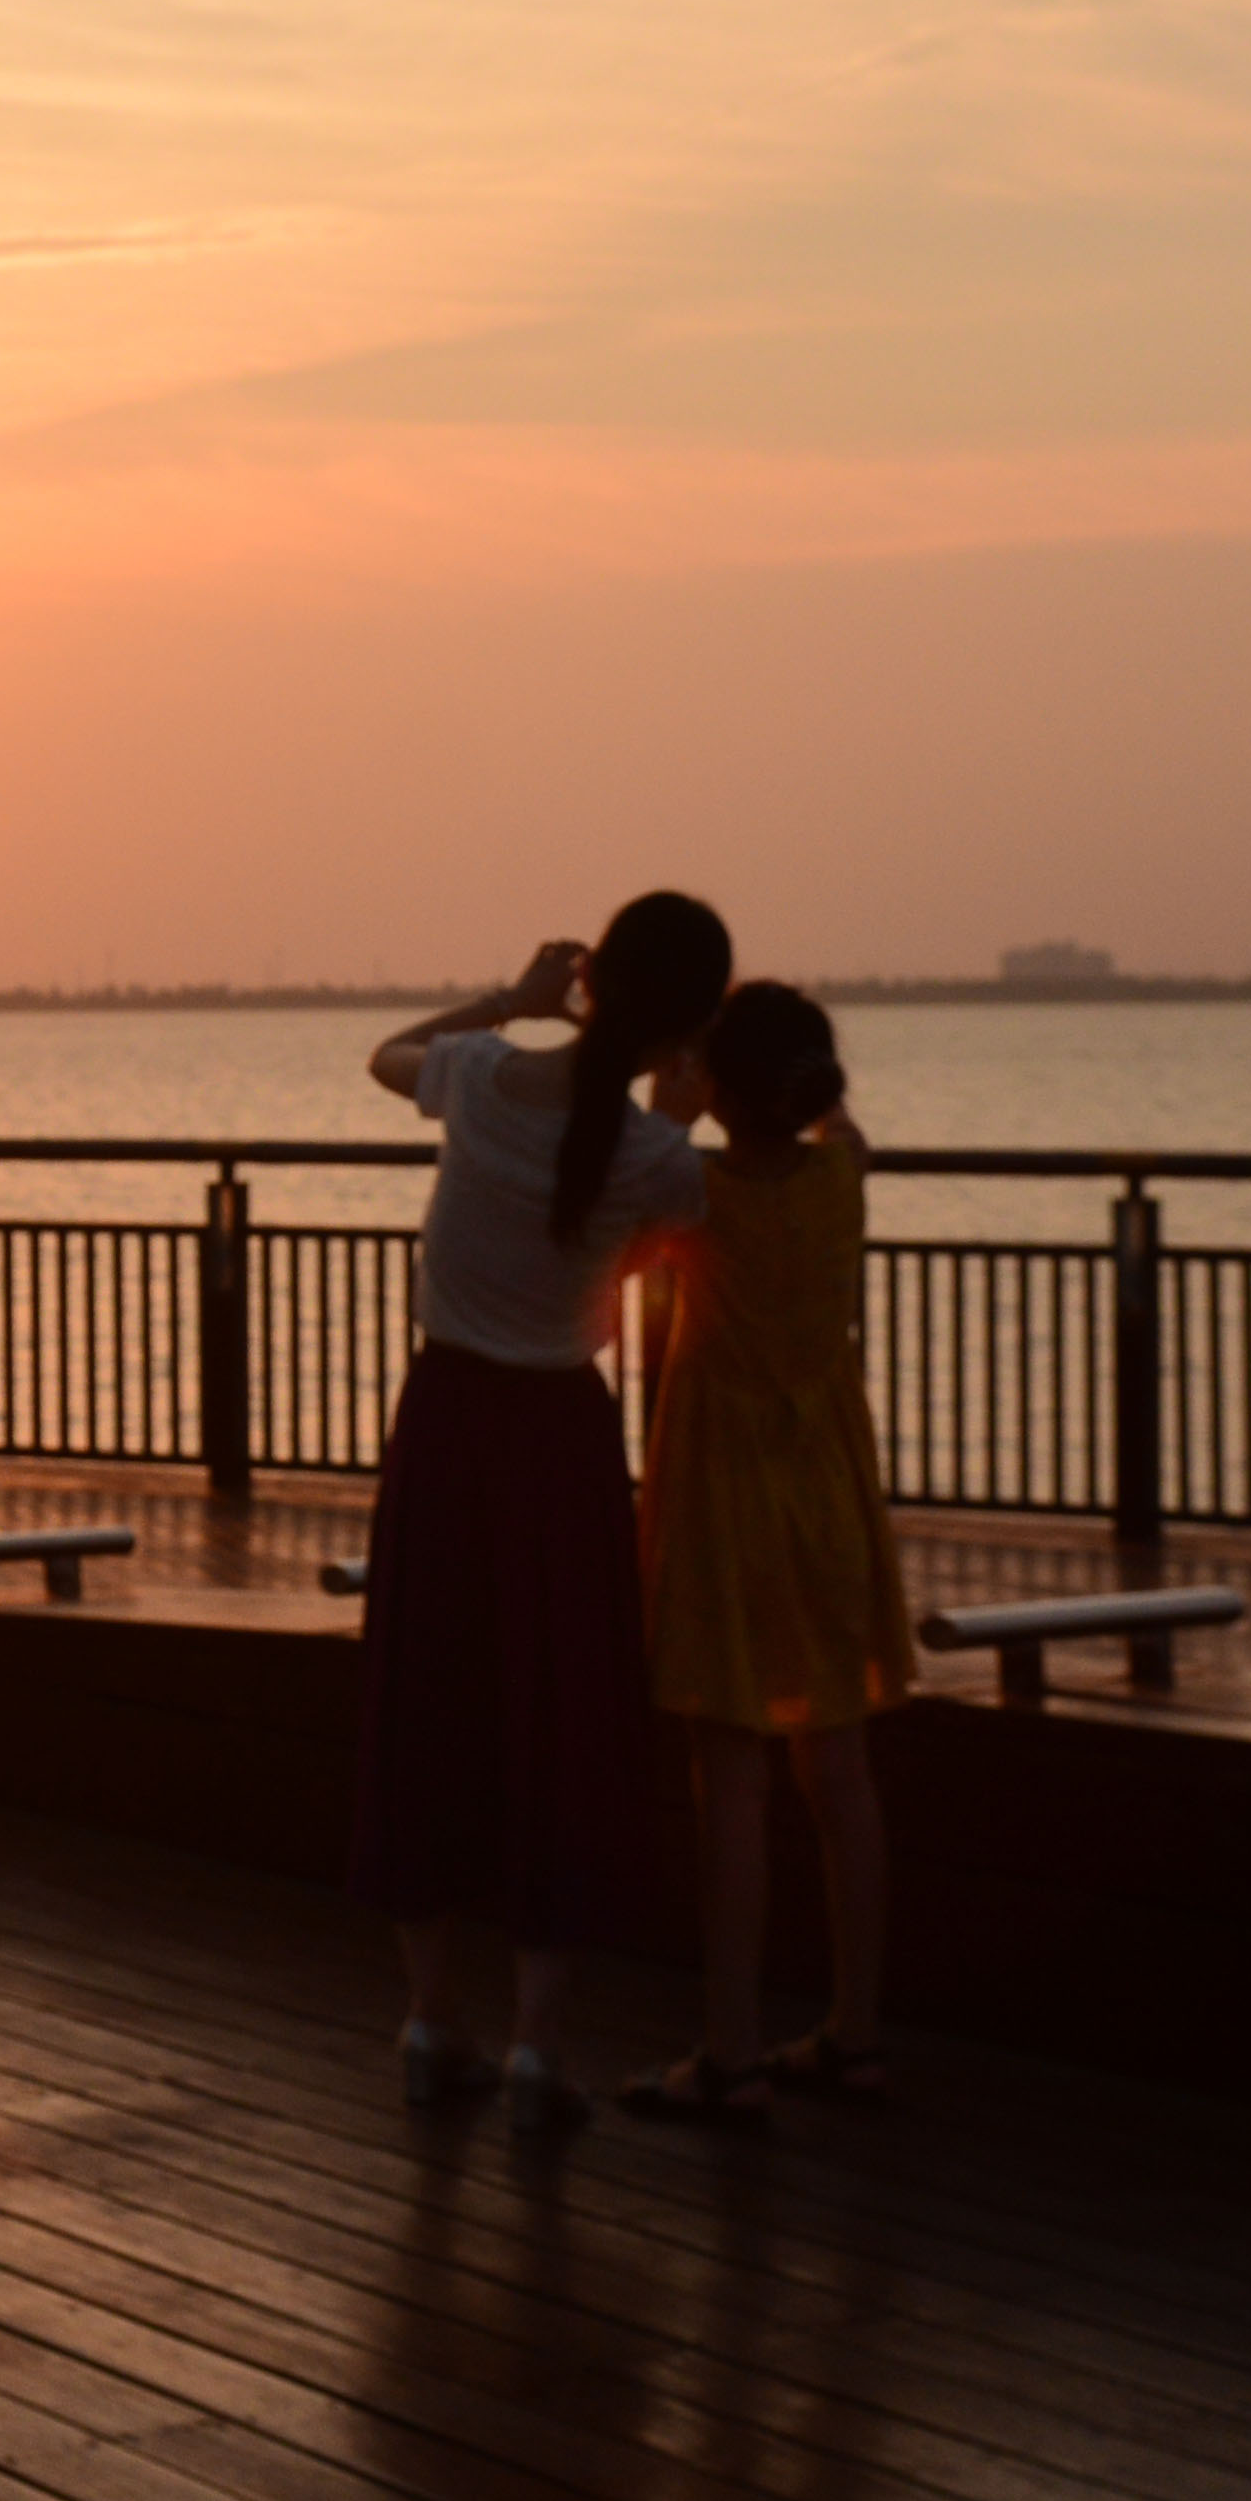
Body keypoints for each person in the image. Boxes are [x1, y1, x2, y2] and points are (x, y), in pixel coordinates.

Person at [354, 892, 734, 2129]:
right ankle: (531, 2046)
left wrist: (509, 1003)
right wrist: (672, 1109)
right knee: (553, 1716)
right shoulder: (655, 1159)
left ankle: (424, 2021)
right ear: (688, 1022)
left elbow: (380, 1055)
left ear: (586, 977)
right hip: (558, 1442)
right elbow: (640, 1257)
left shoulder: (472, 1077)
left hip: (443, 1425)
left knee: (433, 1699)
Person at [623, 982, 910, 2118]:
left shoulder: (695, 1190)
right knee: (838, 1769)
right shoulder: (840, 1179)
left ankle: (729, 2050)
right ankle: (855, 2030)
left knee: (730, 1778)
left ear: (720, 1090)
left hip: (724, 1493)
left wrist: (665, 1102)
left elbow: (634, 1184)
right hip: (827, 1488)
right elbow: (846, 1134)